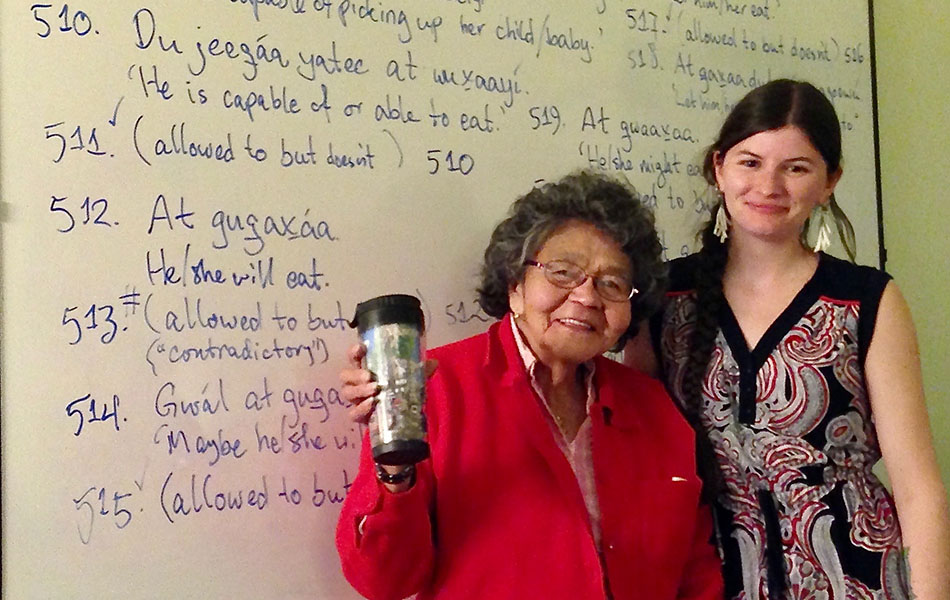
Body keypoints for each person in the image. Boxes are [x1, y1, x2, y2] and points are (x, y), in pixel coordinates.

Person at [627, 79, 950, 599]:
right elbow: (635, 464)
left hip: (857, 577)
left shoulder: (866, 300)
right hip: (706, 577)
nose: (768, 186)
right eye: (749, 162)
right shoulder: (663, 296)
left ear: (830, 181)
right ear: (719, 169)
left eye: (795, 167)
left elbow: (918, 489)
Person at [335, 171, 724, 600]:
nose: (587, 297)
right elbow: (384, 580)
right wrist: (394, 464)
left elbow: (696, 571)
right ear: (515, 284)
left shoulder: (653, 410)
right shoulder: (437, 389)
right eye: (562, 272)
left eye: (612, 283)